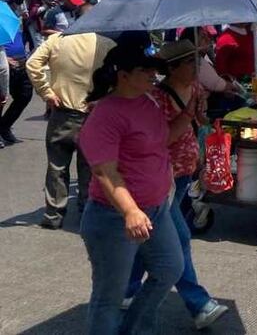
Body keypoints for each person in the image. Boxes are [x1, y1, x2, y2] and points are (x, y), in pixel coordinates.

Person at [77, 43, 184, 334]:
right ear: (122, 75)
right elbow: (104, 171)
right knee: (108, 297)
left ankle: (134, 329)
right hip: (114, 217)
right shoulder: (106, 114)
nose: (152, 75)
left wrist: (189, 115)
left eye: (153, 70)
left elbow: (161, 142)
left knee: (169, 268)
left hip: (156, 209)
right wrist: (130, 210)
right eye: (144, 70)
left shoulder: (147, 101)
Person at [122, 40, 229, 329]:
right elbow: (164, 137)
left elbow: (198, 122)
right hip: (161, 179)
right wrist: (188, 114)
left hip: (184, 174)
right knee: (178, 239)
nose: (196, 68)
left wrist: (202, 116)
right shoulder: (158, 98)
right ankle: (199, 304)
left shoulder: (194, 88)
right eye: (190, 64)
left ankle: (127, 290)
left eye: (198, 62)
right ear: (172, 68)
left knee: (153, 241)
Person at [27, 30, 116, 229]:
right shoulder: (107, 44)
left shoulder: (57, 40)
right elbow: (117, 77)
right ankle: (86, 210)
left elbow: (32, 64)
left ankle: (54, 215)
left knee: (57, 166)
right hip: (93, 113)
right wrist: (104, 98)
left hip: (62, 113)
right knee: (89, 167)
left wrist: (47, 93)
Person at [0, 0, 33, 146]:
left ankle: (4, 126)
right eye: (15, 0)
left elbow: (22, 36)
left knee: (25, 95)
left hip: (21, 60)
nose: (18, 4)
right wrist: (5, 59)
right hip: (5, 62)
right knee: (1, 99)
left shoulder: (17, 15)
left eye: (20, 0)